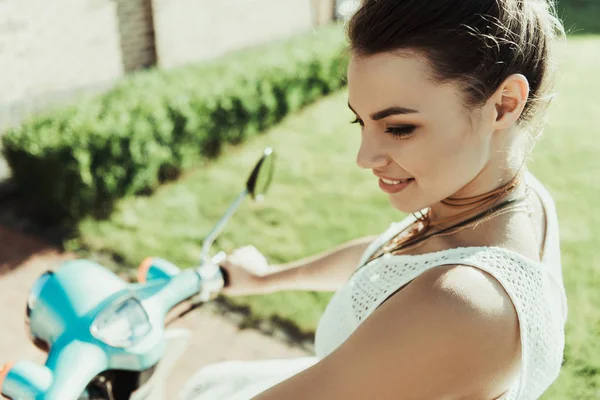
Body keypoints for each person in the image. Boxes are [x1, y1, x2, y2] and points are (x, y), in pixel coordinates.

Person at [181, 0, 568, 399]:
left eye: (399, 128)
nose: (364, 158)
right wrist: (268, 279)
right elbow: (400, 256)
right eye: (360, 121)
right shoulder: (512, 199)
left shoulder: (459, 306)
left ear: (504, 105)